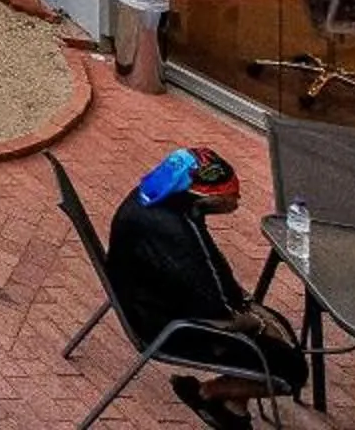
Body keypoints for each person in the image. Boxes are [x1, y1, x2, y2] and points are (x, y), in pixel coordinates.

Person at [104, 146, 304, 429]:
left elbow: (209, 271)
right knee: (291, 369)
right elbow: (219, 306)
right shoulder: (179, 232)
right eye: (232, 195)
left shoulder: (152, 201)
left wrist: (243, 301)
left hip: (144, 299)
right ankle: (207, 393)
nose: (237, 199)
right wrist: (257, 321)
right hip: (164, 326)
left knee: (273, 328)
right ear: (204, 195)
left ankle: (232, 412)